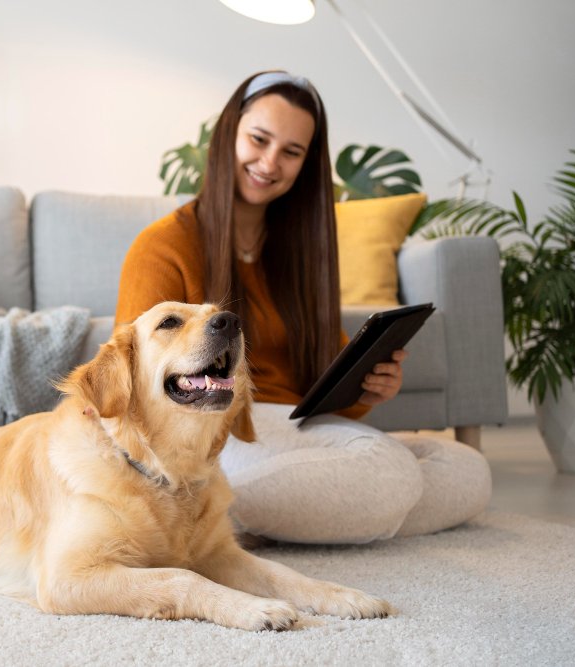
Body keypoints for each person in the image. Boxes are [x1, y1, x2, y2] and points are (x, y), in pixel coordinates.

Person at [115, 70, 491, 544]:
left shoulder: (298, 252)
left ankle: (248, 524)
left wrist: (367, 388)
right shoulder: (163, 246)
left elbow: (320, 381)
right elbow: (139, 389)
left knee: (465, 467)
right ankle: (215, 513)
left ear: (306, 165)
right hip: (221, 432)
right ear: (229, 133)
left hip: (297, 427)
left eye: (291, 152)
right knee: (391, 473)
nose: (270, 163)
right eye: (258, 140)